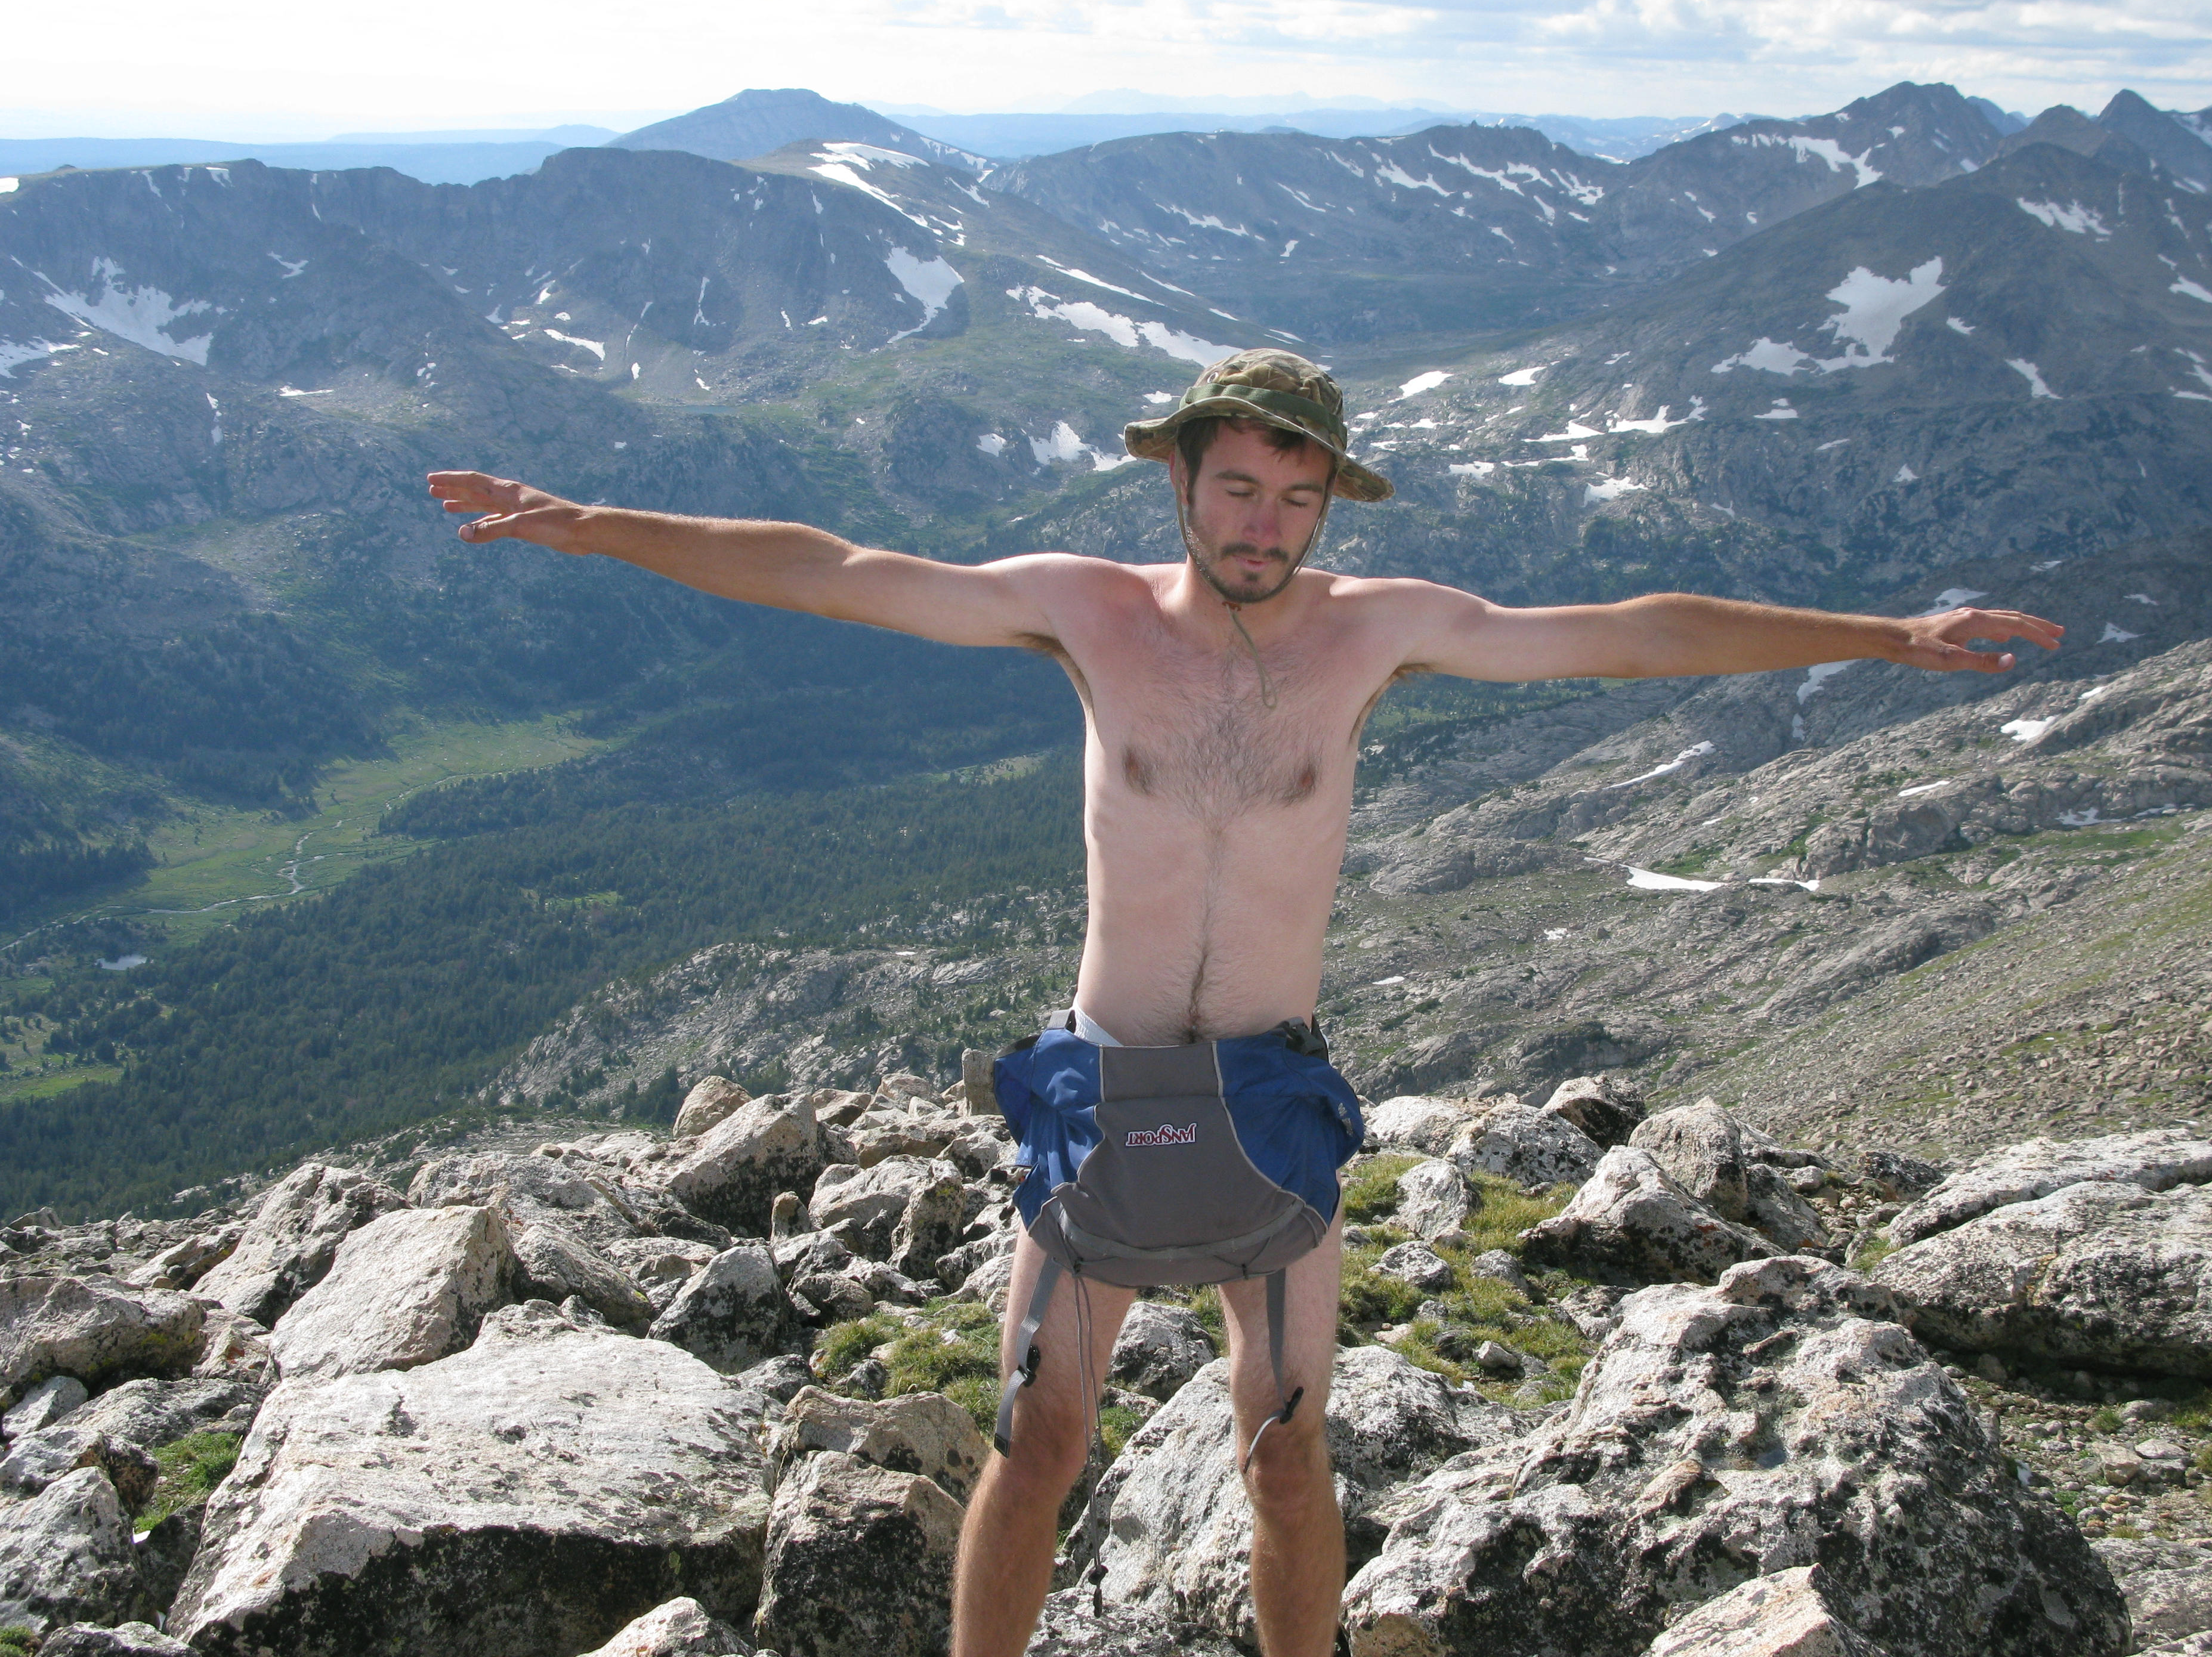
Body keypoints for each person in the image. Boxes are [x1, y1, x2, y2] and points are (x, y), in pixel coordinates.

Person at [426, 348, 2061, 1657]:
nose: (1266, 522)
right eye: (1238, 486)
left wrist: (1888, 636)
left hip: (1272, 1104)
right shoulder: (1088, 612)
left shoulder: (1381, 636)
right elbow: (834, 568)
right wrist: (593, 521)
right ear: (1182, 480)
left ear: (1326, 502)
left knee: (1286, 1454)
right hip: (1102, 1087)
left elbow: (1632, 636)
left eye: (1296, 496)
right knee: (1037, 1439)